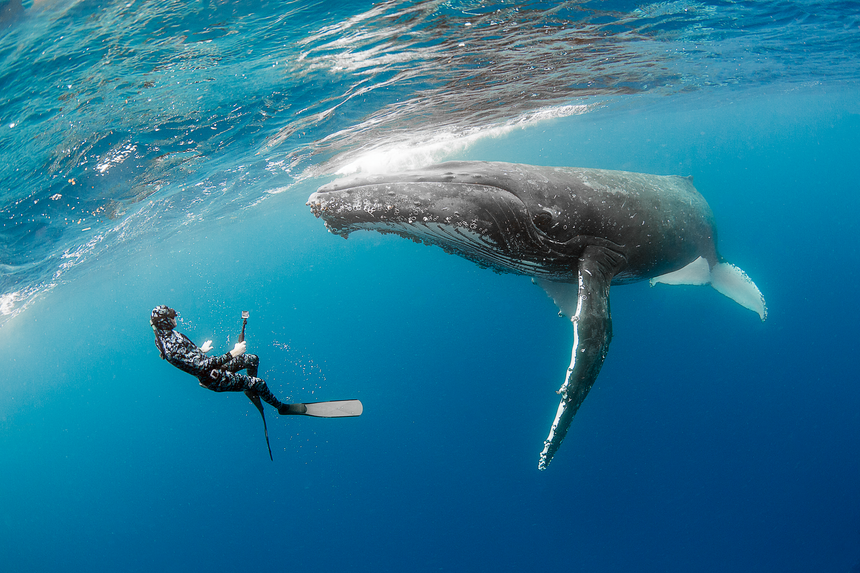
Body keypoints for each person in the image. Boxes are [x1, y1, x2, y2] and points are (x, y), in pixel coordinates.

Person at [150, 305, 306, 415]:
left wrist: (200, 351)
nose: (175, 315)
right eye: (171, 315)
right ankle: (281, 408)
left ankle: (249, 388)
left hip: (211, 368)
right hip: (213, 378)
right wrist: (233, 353)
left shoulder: (164, 335)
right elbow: (201, 366)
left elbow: (186, 359)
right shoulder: (170, 346)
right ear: (164, 321)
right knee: (260, 383)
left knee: (252, 359)